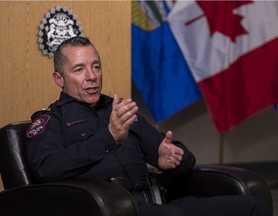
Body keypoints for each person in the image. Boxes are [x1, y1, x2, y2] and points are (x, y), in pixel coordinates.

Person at [26, 36, 271, 216]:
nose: (92, 76)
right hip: (106, 211)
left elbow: (179, 159)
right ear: (59, 79)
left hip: (157, 204)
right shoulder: (49, 121)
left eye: (96, 66)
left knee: (251, 207)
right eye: (79, 69)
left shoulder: (121, 110)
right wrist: (108, 138)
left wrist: (173, 156)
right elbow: (47, 169)